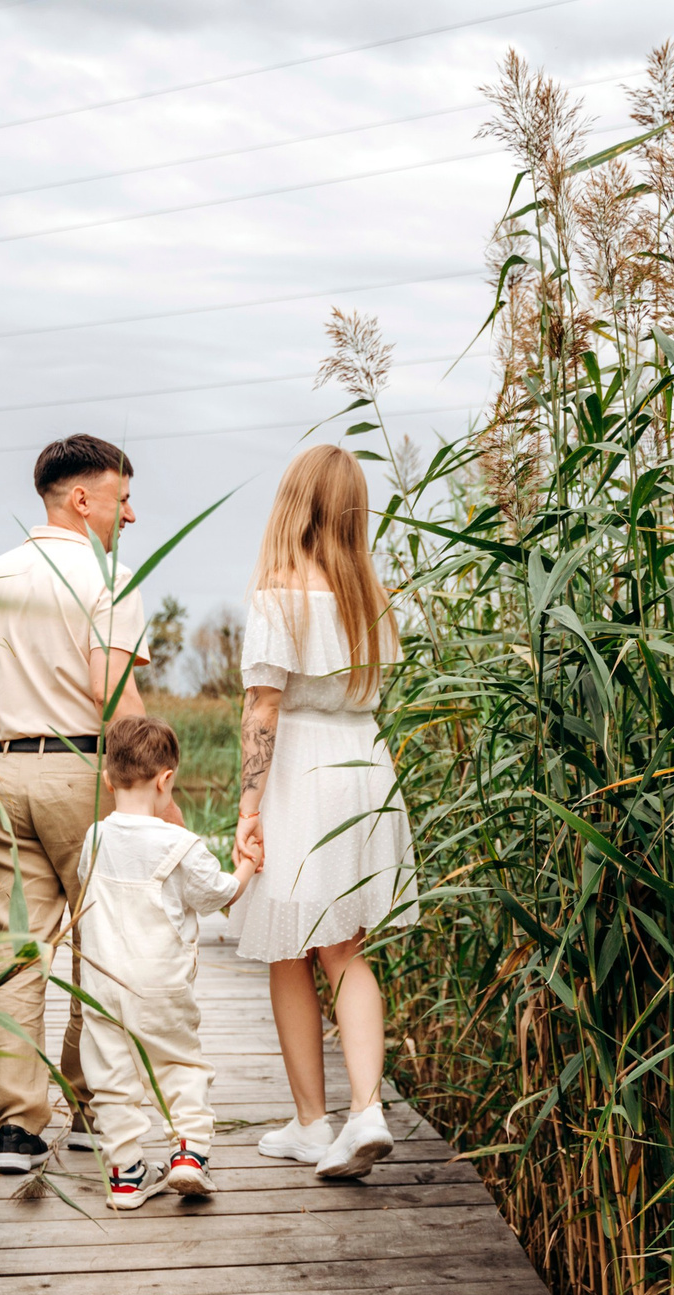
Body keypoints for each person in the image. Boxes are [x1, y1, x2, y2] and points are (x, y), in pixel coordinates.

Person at [0, 433, 172, 1177]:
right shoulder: (104, 576)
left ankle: (16, 1130)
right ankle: (88, 1111)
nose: (132, 516)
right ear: (82, 498)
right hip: (80, 771)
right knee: (101, 943)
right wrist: (162, 806)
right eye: (122, 497)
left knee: (15, 947)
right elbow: (113, 698)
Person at [231, 445, 414, 1180]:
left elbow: (263, 705)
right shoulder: (373, 594)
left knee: (288, 948)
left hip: (302, 772)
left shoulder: (279, 590)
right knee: (347, 949)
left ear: (295, 502)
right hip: (365, 769)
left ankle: (313, 1121)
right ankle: (366, 1107)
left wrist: (248, 807)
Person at [70, 714, 258, 1206]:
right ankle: (189, 1154)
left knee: (110, 1078)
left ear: (108, 779)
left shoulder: (94, 837)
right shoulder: (181, 845)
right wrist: (248, 866)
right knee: (179, 1064)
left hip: (103, 983)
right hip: (161, 985)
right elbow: (219, 895)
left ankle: (127, 1174)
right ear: (166, 779)